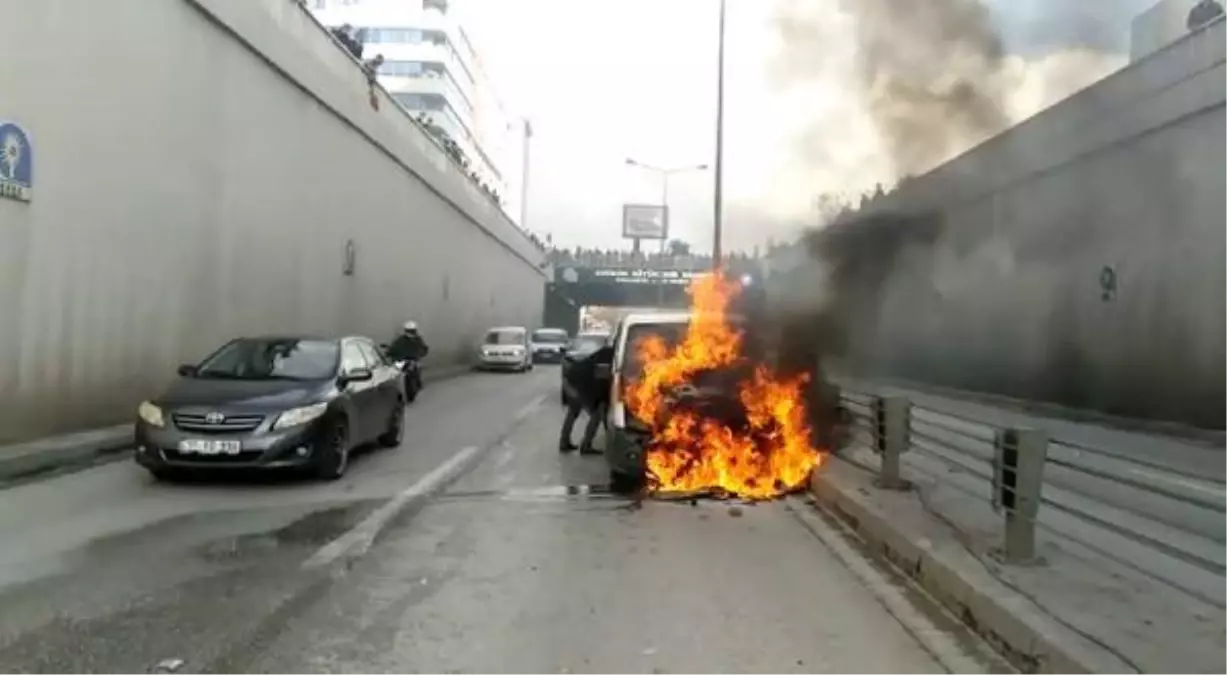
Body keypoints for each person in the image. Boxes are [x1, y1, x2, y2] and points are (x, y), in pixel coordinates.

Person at [559, 345, 613, 454]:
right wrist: (601, 401)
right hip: (582, 383)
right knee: (596, 415)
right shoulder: (611, 358)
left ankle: (564, 442)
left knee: (573, 412)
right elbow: (600, 385)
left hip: (572, 378)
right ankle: (586, 445)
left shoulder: (607, 352)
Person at [386, 321, 430, 389]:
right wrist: (389, 352)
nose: (410, 333)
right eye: (409, 331)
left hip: (414, 359)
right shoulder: (400, 339)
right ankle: (396, 388)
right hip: (403, 359)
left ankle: (417, 382)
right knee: (395, 371)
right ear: (405, 330)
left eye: (412, 331)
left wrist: (422, 352)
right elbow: (394, 347)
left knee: (417, 368)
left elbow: (424, 347)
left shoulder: (418, 339)